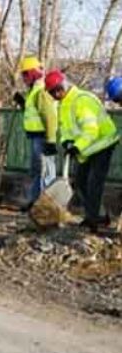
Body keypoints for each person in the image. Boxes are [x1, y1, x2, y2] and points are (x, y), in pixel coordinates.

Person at [45, 70, 119, 232]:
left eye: (57, 90)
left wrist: (77, 146)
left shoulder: (82, 100)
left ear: (63, 86)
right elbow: (65, 130)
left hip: (103, 143)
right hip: (87, 148)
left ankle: (93, 219)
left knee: (94, 183)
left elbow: (91, 130)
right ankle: (98, 215)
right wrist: (67, 143)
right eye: (52, 93)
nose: (55, 94)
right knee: (80, 182)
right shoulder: (63, 105)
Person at [13, 56, 58, 209]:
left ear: (33, 73)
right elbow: (34, 112)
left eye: (25, 74)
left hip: (43, 137)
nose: (23, 78)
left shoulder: (41, 91)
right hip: (35, 136)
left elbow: (49, 116)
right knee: (36, 170)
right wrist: (23, 103)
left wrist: (50, 141)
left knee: (46, 171)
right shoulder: (34, 91)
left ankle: (45, 206)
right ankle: (34, 201)